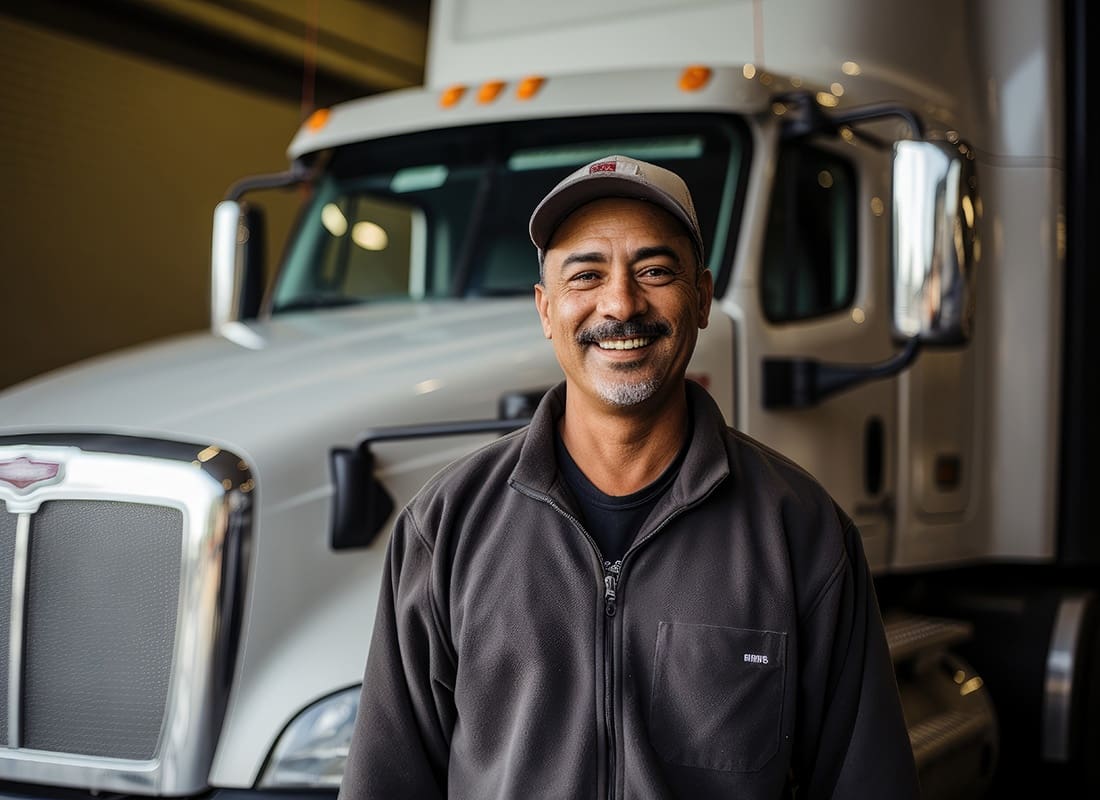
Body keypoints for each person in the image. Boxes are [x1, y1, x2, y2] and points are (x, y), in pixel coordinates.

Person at [339, 155, 920, 799]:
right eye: (586, 274)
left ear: (700, 299)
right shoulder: (445, 526)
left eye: (654, 270)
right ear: (546, 309)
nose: (620, 302)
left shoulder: (803, 532)